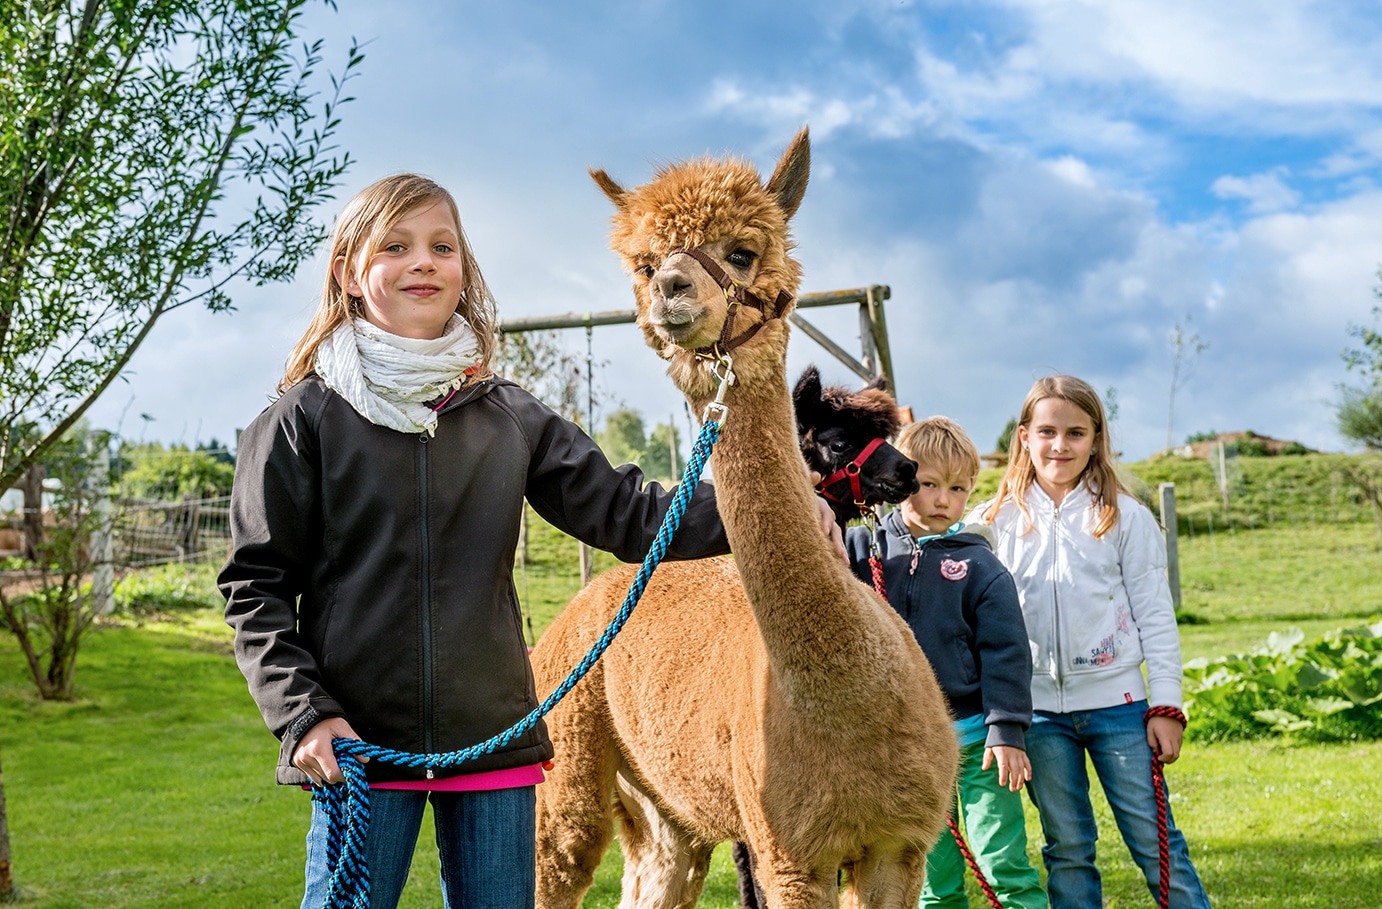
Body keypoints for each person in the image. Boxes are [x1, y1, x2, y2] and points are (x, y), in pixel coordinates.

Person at [218, 174, 840, 909]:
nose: (423, 262)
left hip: (493, 742)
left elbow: (627, 512)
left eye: (442, 246)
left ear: (463, 270)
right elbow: (254, 588)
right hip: (357, 747)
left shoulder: (506, 415)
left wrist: (776, 506)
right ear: (349, 275)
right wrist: (304, 715)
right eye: (395, 246)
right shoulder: (302, 421)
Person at [969, 375, 1213, 909]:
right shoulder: (989, 523)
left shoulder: (1125, 517)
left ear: (1096, 439)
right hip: (1036, 716)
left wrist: (1167, 705)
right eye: (1047, 431)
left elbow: (1156, 617)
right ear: (1024, 437)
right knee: (1068, 848)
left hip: (1119, 708)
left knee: (1156, 844)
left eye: (1075, 433)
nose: (1060, 445)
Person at [845, 416, 1046, 909]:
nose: (942, 500)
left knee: (1003, 863)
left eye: (957, 489)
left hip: (976, 743)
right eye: (929, 484)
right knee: (931, 880)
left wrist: (1007, 730)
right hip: (902, 750)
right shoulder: (862, 551)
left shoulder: (980, 566)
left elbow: (1006, 651)